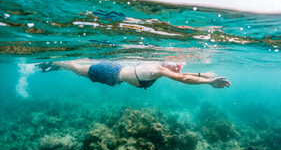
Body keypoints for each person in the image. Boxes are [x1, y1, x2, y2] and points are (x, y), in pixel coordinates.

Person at [37, 60, 231, 89]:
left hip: (114, 75)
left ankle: (56, 65)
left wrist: (202, 73)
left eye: (179, 66)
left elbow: (182, 74)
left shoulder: (163, 70)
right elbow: (183, 78)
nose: (178, 67)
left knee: (81, 72)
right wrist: (210, 82)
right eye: (176, 64)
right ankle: (54, 63)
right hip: (111, 72)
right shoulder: (160, 69)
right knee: (79, 70)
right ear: (167, 63)